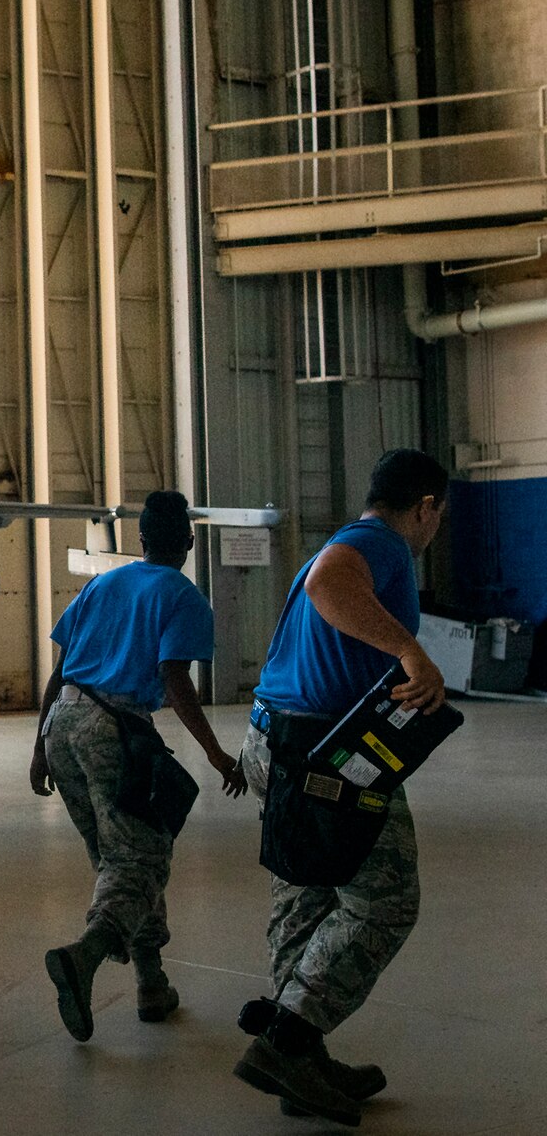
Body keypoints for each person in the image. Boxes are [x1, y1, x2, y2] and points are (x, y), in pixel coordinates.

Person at [232, 448, 449, 1126]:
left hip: (275, 739)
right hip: (326, 755)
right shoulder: (375, 545)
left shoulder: (354, 540)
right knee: (385, 902)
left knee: (306, 894)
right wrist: (408, 650)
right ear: (425, 508)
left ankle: (301, 1062)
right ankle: (289, 1039)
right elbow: (331, 586)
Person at [29, 490, 246, 1043]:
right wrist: (217, 754)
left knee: (123, 857)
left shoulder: (103, 583)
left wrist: (39, 746)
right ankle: (85, 957)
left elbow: (59, 670)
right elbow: (176, 682)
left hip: (65, 721)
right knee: (138, 860)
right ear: (190, 543)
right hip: (115, 729)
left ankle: (152, 983)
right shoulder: (184, 596)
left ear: (141, 541)